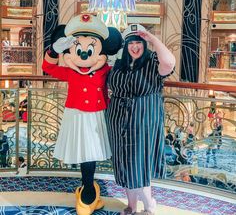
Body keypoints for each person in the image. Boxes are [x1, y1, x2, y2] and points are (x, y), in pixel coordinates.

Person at [42, 14, 122, 215]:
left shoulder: (105, 70)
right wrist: (54, 50)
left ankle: (88, 193)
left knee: (91, 154)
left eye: (90, 49)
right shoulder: (71, 72)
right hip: (76, 115)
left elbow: (121, 77)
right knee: (81, 152)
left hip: (95, 116)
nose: (84, 55)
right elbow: (47, 67)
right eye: (79, 50)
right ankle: (88, 191)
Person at [106, 24, 175, 214]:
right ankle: (132, 206)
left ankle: (149, 205)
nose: (135, 47)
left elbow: (169, 63)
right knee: (123, 163)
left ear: (145, 44)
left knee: (137, 165)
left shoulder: (152, 61)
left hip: (142, 120)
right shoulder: (120, 64)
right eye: (131, 43)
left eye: (139, 43)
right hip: (118, 120)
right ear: (126, 45)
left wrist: (152, 38)